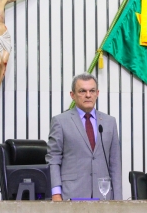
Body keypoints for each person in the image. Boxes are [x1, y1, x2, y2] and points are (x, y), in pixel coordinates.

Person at [46, 73, 122, 201]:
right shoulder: (60, 121)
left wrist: (118, 198)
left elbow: (115, 163)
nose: (88, 95)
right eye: (82, 91)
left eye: (92, 91)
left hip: (103, 195)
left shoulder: (109, 122)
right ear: (72, 95)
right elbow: (53, 158)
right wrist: (56, 193)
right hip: (71, 195)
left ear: (97, 93)